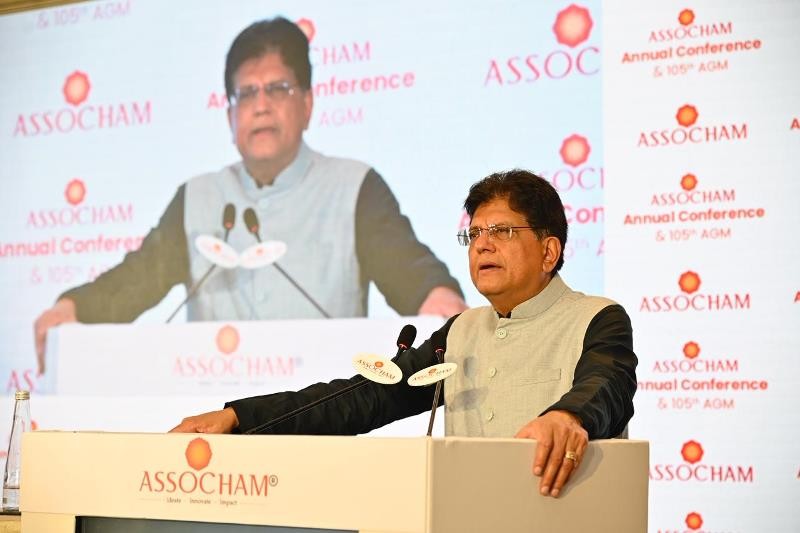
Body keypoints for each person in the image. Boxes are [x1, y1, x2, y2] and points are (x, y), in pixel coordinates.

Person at [33, 17, 466, 373]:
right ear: (229, 115)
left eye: (278, 89)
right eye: (246, 94)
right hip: (217, 418)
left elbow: (408, 270)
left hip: (325, 416)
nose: (261, 106)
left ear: (308, 105)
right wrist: (72, 308)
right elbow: (135, 281)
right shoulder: (197, 197)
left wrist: (440, 302)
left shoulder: (355, 187)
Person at [171, 169, 638, 498]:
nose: (482, 245)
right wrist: (241, 417)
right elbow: (364, 397)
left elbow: (608, 386)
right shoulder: (461, 330)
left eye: (501, 231)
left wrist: (567, 418)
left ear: (549, 251)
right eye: (474, 234)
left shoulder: (597, 318)